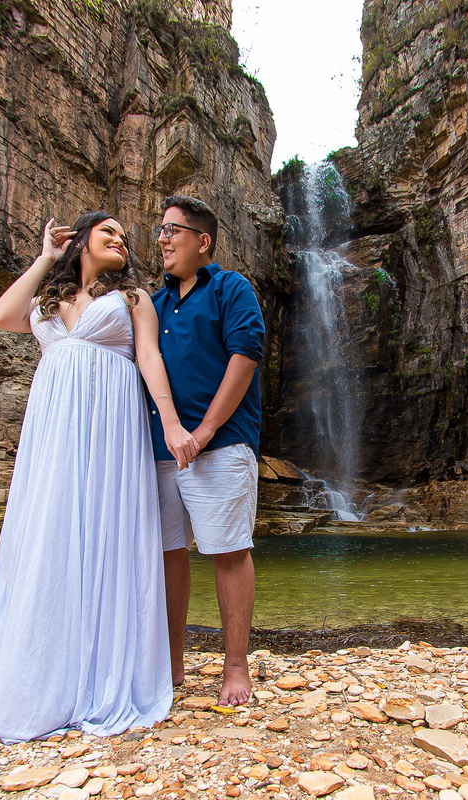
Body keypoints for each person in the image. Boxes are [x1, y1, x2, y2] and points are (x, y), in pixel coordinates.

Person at [0, 211, 199, 749]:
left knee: (107, 536)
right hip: (55, 429)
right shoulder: (49, 297)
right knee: (50, 531)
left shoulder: (133, 298)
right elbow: (2, 315)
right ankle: (41, 671)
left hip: (112, 428)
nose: (120, 240)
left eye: (124, 236)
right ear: (82, 240)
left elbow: (148, 357)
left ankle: (102, 670)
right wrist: (46, 255)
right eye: (107, 232)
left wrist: (168, 421)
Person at [149, 195, 265, 707]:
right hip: (158, 448)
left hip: (223, 444)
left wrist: (204, 431)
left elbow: (246, 355)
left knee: (228, 551)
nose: (163, 239)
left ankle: (235, 665)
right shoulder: (153, 303)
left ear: (203, 241)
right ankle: (172, 663)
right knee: (169, 554)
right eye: (160, 230)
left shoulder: (231, 288)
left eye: (173, 230)